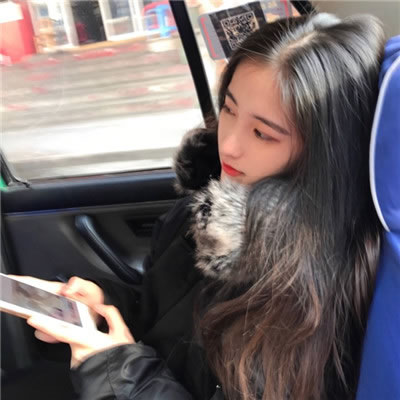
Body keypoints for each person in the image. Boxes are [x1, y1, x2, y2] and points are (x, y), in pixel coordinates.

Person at [21, 12, 385, 400]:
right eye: (229, 109)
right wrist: (102, 306)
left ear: (321, 155)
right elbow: (164, 321)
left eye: (262, 133)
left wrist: (116, 370)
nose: (229, 145)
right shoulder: (210, 209)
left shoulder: (311, 298)